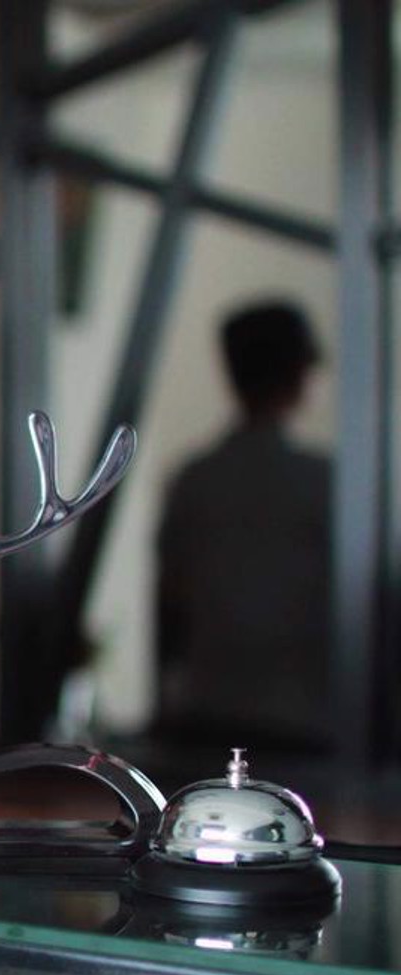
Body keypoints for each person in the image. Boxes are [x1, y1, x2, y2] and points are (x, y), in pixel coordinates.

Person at [154, 300, 330, 750]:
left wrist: (164, 705)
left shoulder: (195, 479)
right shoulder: (322, 482)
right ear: (297, 374)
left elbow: (170, 605)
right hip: (301, 720)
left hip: (207, 711)